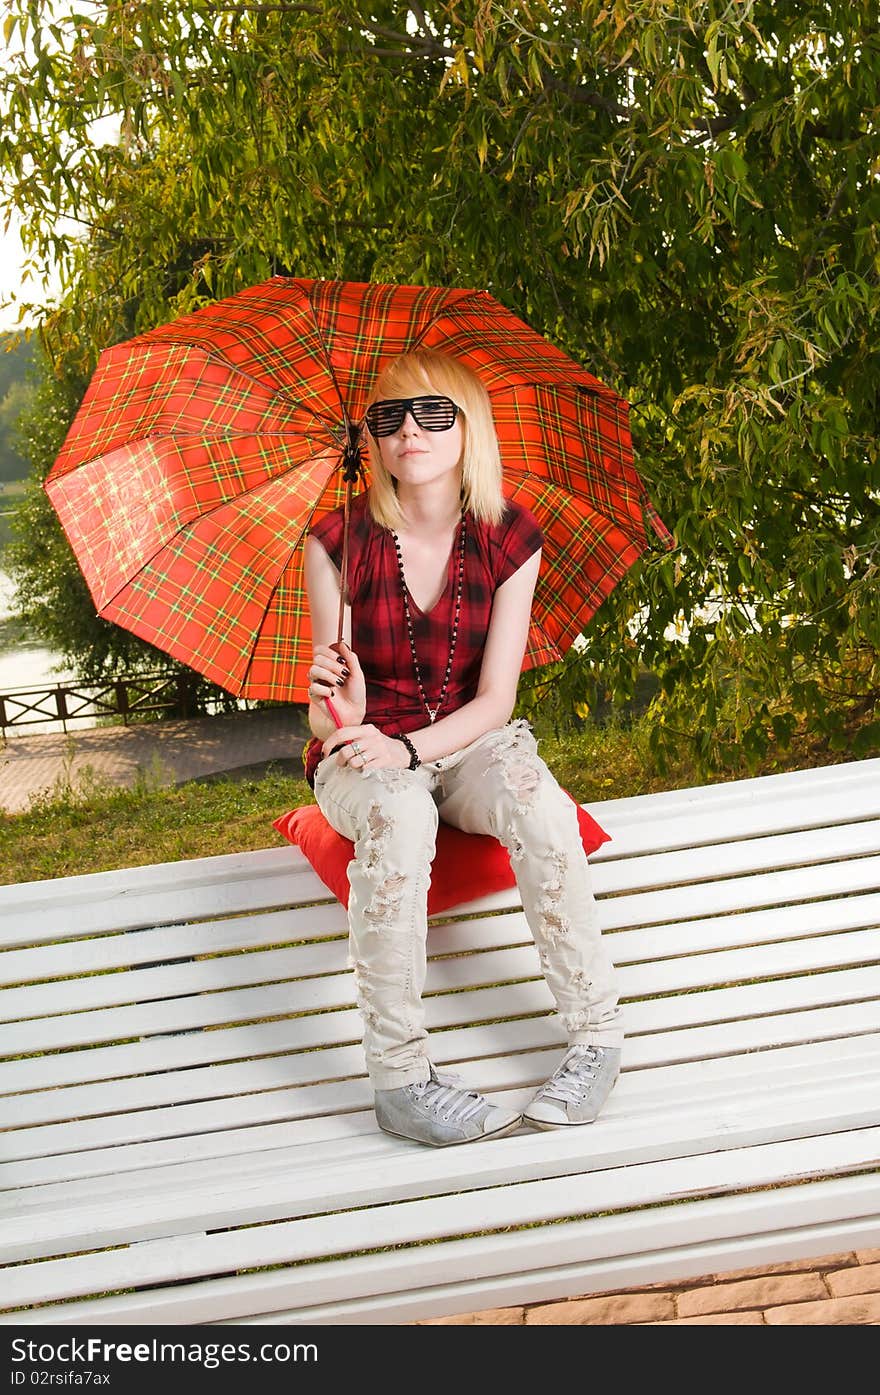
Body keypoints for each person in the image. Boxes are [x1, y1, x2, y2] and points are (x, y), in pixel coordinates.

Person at [302, 348, 623, 1147]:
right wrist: (340, 713)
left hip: (469, 737)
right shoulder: (335, 540)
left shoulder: (510, 536)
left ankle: (595, 1037)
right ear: (371, 440)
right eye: (390, 417)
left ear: (468, 427)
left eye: (434, 413)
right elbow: (326, 723)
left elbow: (497, 700)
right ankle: (400, 1077)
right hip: (366, 753)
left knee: (542, 804)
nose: (411, 429)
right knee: (402, 820)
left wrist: (415, 750)